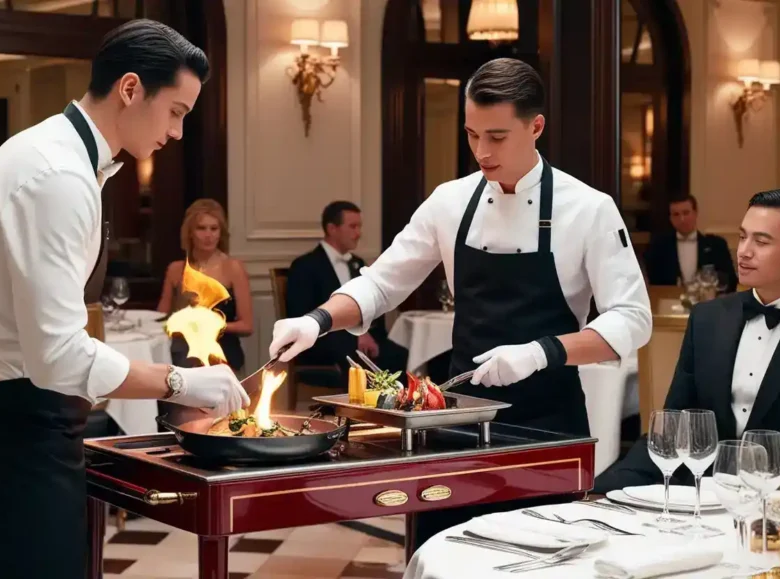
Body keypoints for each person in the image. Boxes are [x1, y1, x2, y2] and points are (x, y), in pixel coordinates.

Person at [268, 57, 652, 551]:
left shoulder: (588, 208)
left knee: (538, 562)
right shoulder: (450, 201)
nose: (481, 152)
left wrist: (539, 353)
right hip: (457, 421)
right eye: (472, 135)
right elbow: (383, 283)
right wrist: (316, 320)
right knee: (443, 554)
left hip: (547, 427)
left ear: (536, 126)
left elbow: (632, 319)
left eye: (496, 137)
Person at [0, 20, 249, 579]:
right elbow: (58, 356)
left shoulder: (56, 154)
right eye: (176, 111)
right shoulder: (56, 174)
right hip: (15, 429)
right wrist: (181, 381)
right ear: (130, 89)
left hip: (19, 418)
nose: (177, 133)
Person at [596, 189, 780, 492]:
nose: (743, 251)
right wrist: (599, 489)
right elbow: (672, 426)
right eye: (743, 237)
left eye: (761, 241)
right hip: (704, 498)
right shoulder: (708, 319)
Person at [285, 201, 407, 386]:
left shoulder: (358, 263)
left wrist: (368, 332)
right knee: (352, 352)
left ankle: (392, 409)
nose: (358, 233)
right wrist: (355, 336)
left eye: (359, 227)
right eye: (352, 226)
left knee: (398, 353)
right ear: (332, 228)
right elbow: (300, 313)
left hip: (361, 337)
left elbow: (374, 309)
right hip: (323, 341)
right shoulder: (305, 266)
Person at [157, 198, 252, 372]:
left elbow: (247, 326)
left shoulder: (233, 268)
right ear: (190, 232)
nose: (208, 235)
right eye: (201, 228)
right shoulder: (176, 269)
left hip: (223, 355)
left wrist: (211, 324)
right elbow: (161, 319)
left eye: (214, 229)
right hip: (181, 355)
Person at [644, 195, 737, 292]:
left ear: (695, 213)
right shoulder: (659, 247)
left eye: (686, 213)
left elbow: (730, 281)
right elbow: (653, 283)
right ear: (670, 218)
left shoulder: (717, 245)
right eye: (676, 214)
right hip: (670, 302)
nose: (682, 219)